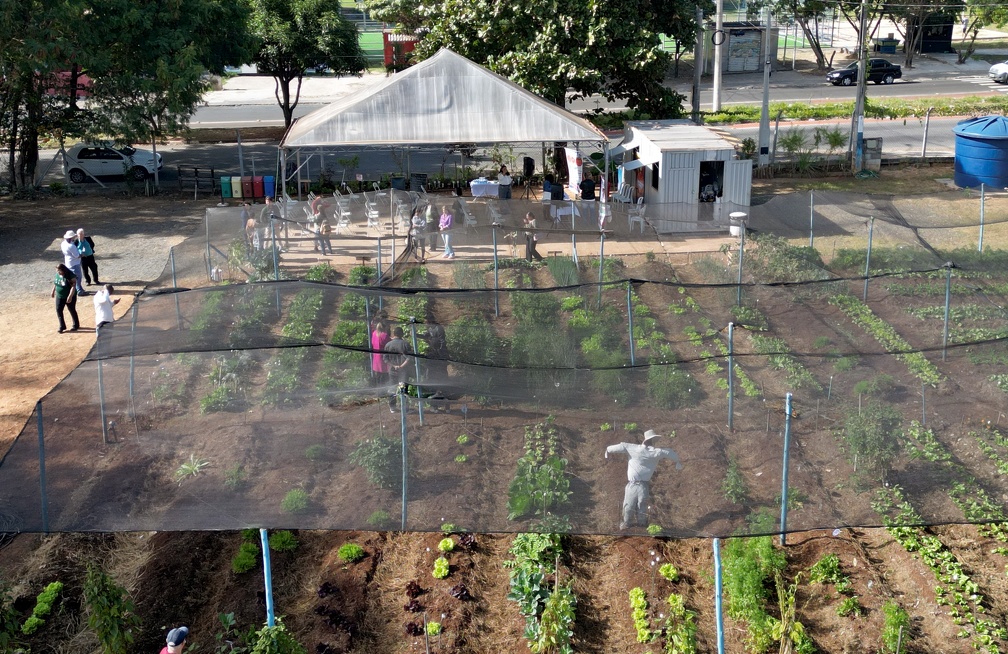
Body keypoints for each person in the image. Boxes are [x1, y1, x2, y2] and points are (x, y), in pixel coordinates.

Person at [605, 429, 683, 530]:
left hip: (637, 484)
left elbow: (621, 446)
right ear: (653, 441)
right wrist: (677, 461)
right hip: (639, 485)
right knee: (635, 505)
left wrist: (608, 449)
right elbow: (670, 453)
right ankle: (631, 523)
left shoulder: (637, 449)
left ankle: (635, 524)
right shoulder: (656, 452)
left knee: (635, 505)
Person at [383, 326, 412, 412]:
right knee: (403, 389)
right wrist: (402, 365)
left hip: (392, 371)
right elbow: (409, 358)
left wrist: (393, 365)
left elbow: (385, 359)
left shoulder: (388, 345)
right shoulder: (405, 344)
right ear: (401, 334)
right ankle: (405, 408)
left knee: (392, 388)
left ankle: (392, 407)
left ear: (394, 334)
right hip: (403, 371)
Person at [52, 263, 80, 334]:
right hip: (60, 296)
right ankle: (62, 326)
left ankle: (75, 324)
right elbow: (56, 283)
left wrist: (70, 296)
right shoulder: (58, 275)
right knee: (58, 310)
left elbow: (73, 287)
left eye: (59, 270)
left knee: (71, 309)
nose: (58, 272)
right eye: (57, 270)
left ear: (63, 270)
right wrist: (53, 291)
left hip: (69, 296)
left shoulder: (70, 275)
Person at [61, 230, 86, 296]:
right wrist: (82, 254)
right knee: (78, 277)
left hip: (68, 262)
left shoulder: (63, 243)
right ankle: (79, 290)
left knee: (74, 277)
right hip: (74, 263)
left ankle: (79, 288)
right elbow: (77, 255)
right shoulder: (71, 246)